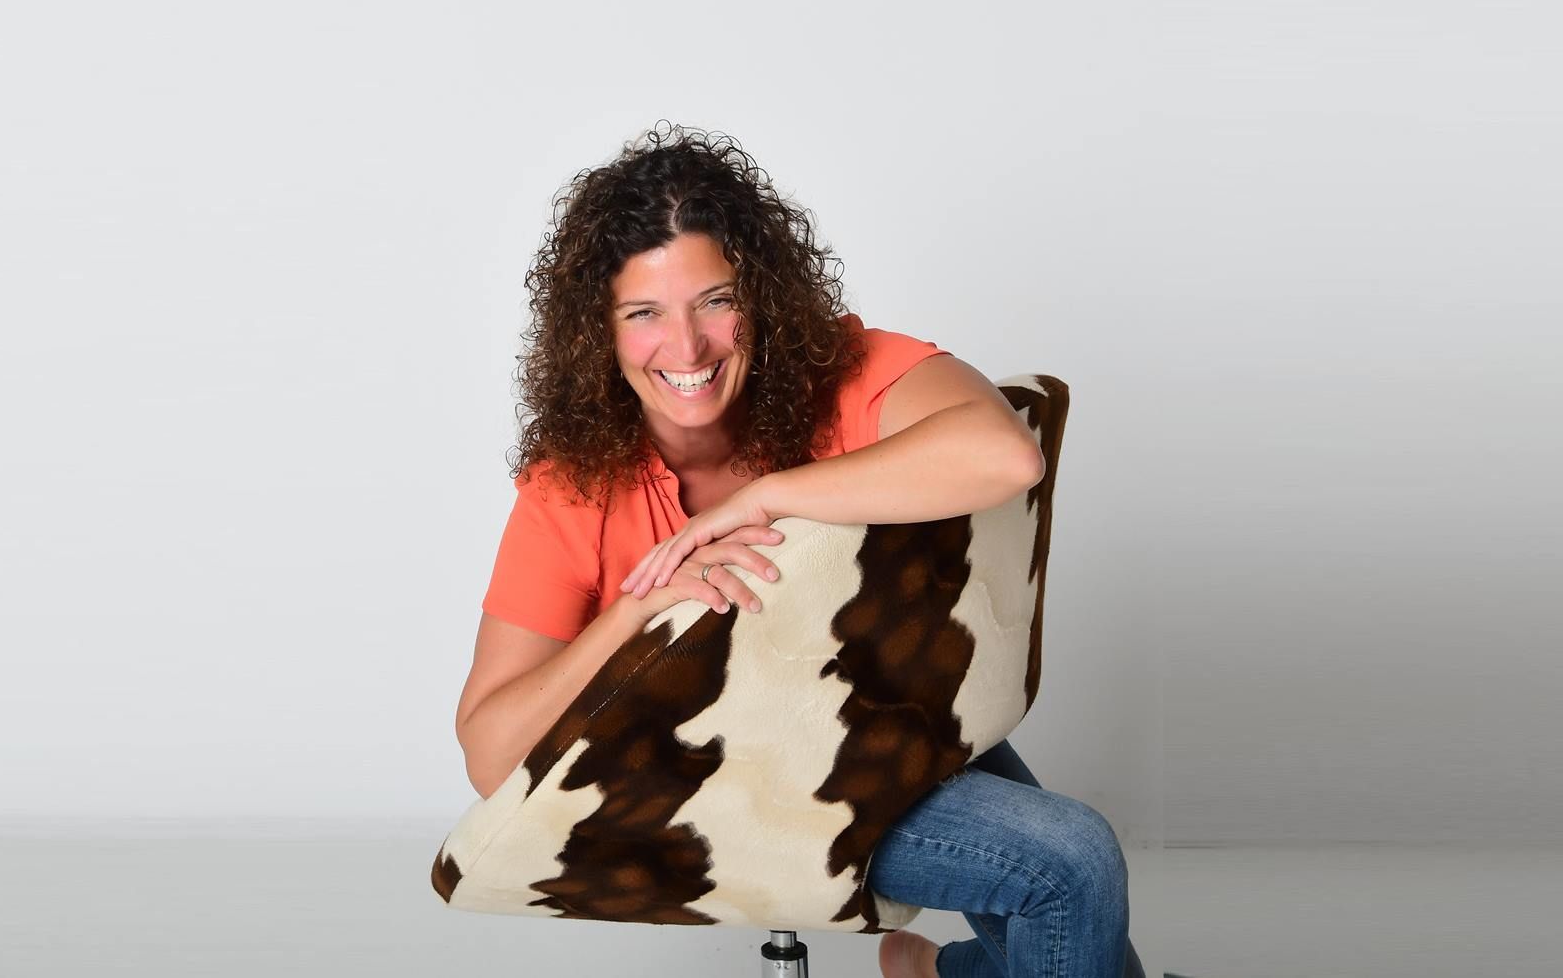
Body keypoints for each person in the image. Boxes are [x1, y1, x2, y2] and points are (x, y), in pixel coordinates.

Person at [454, 122, 1145, 978]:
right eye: (644, 313)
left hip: (874, 720)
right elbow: (491, 757)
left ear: (761, 295)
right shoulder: (571, 486)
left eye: (716, 300)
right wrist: (639, 609)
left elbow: (1005, 455)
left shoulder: (843, 373)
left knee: (1070, 894)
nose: (687, 347)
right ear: (598, 331)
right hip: (710, 787)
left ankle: (947, 973)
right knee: (1068, 864)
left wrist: (767, 495)